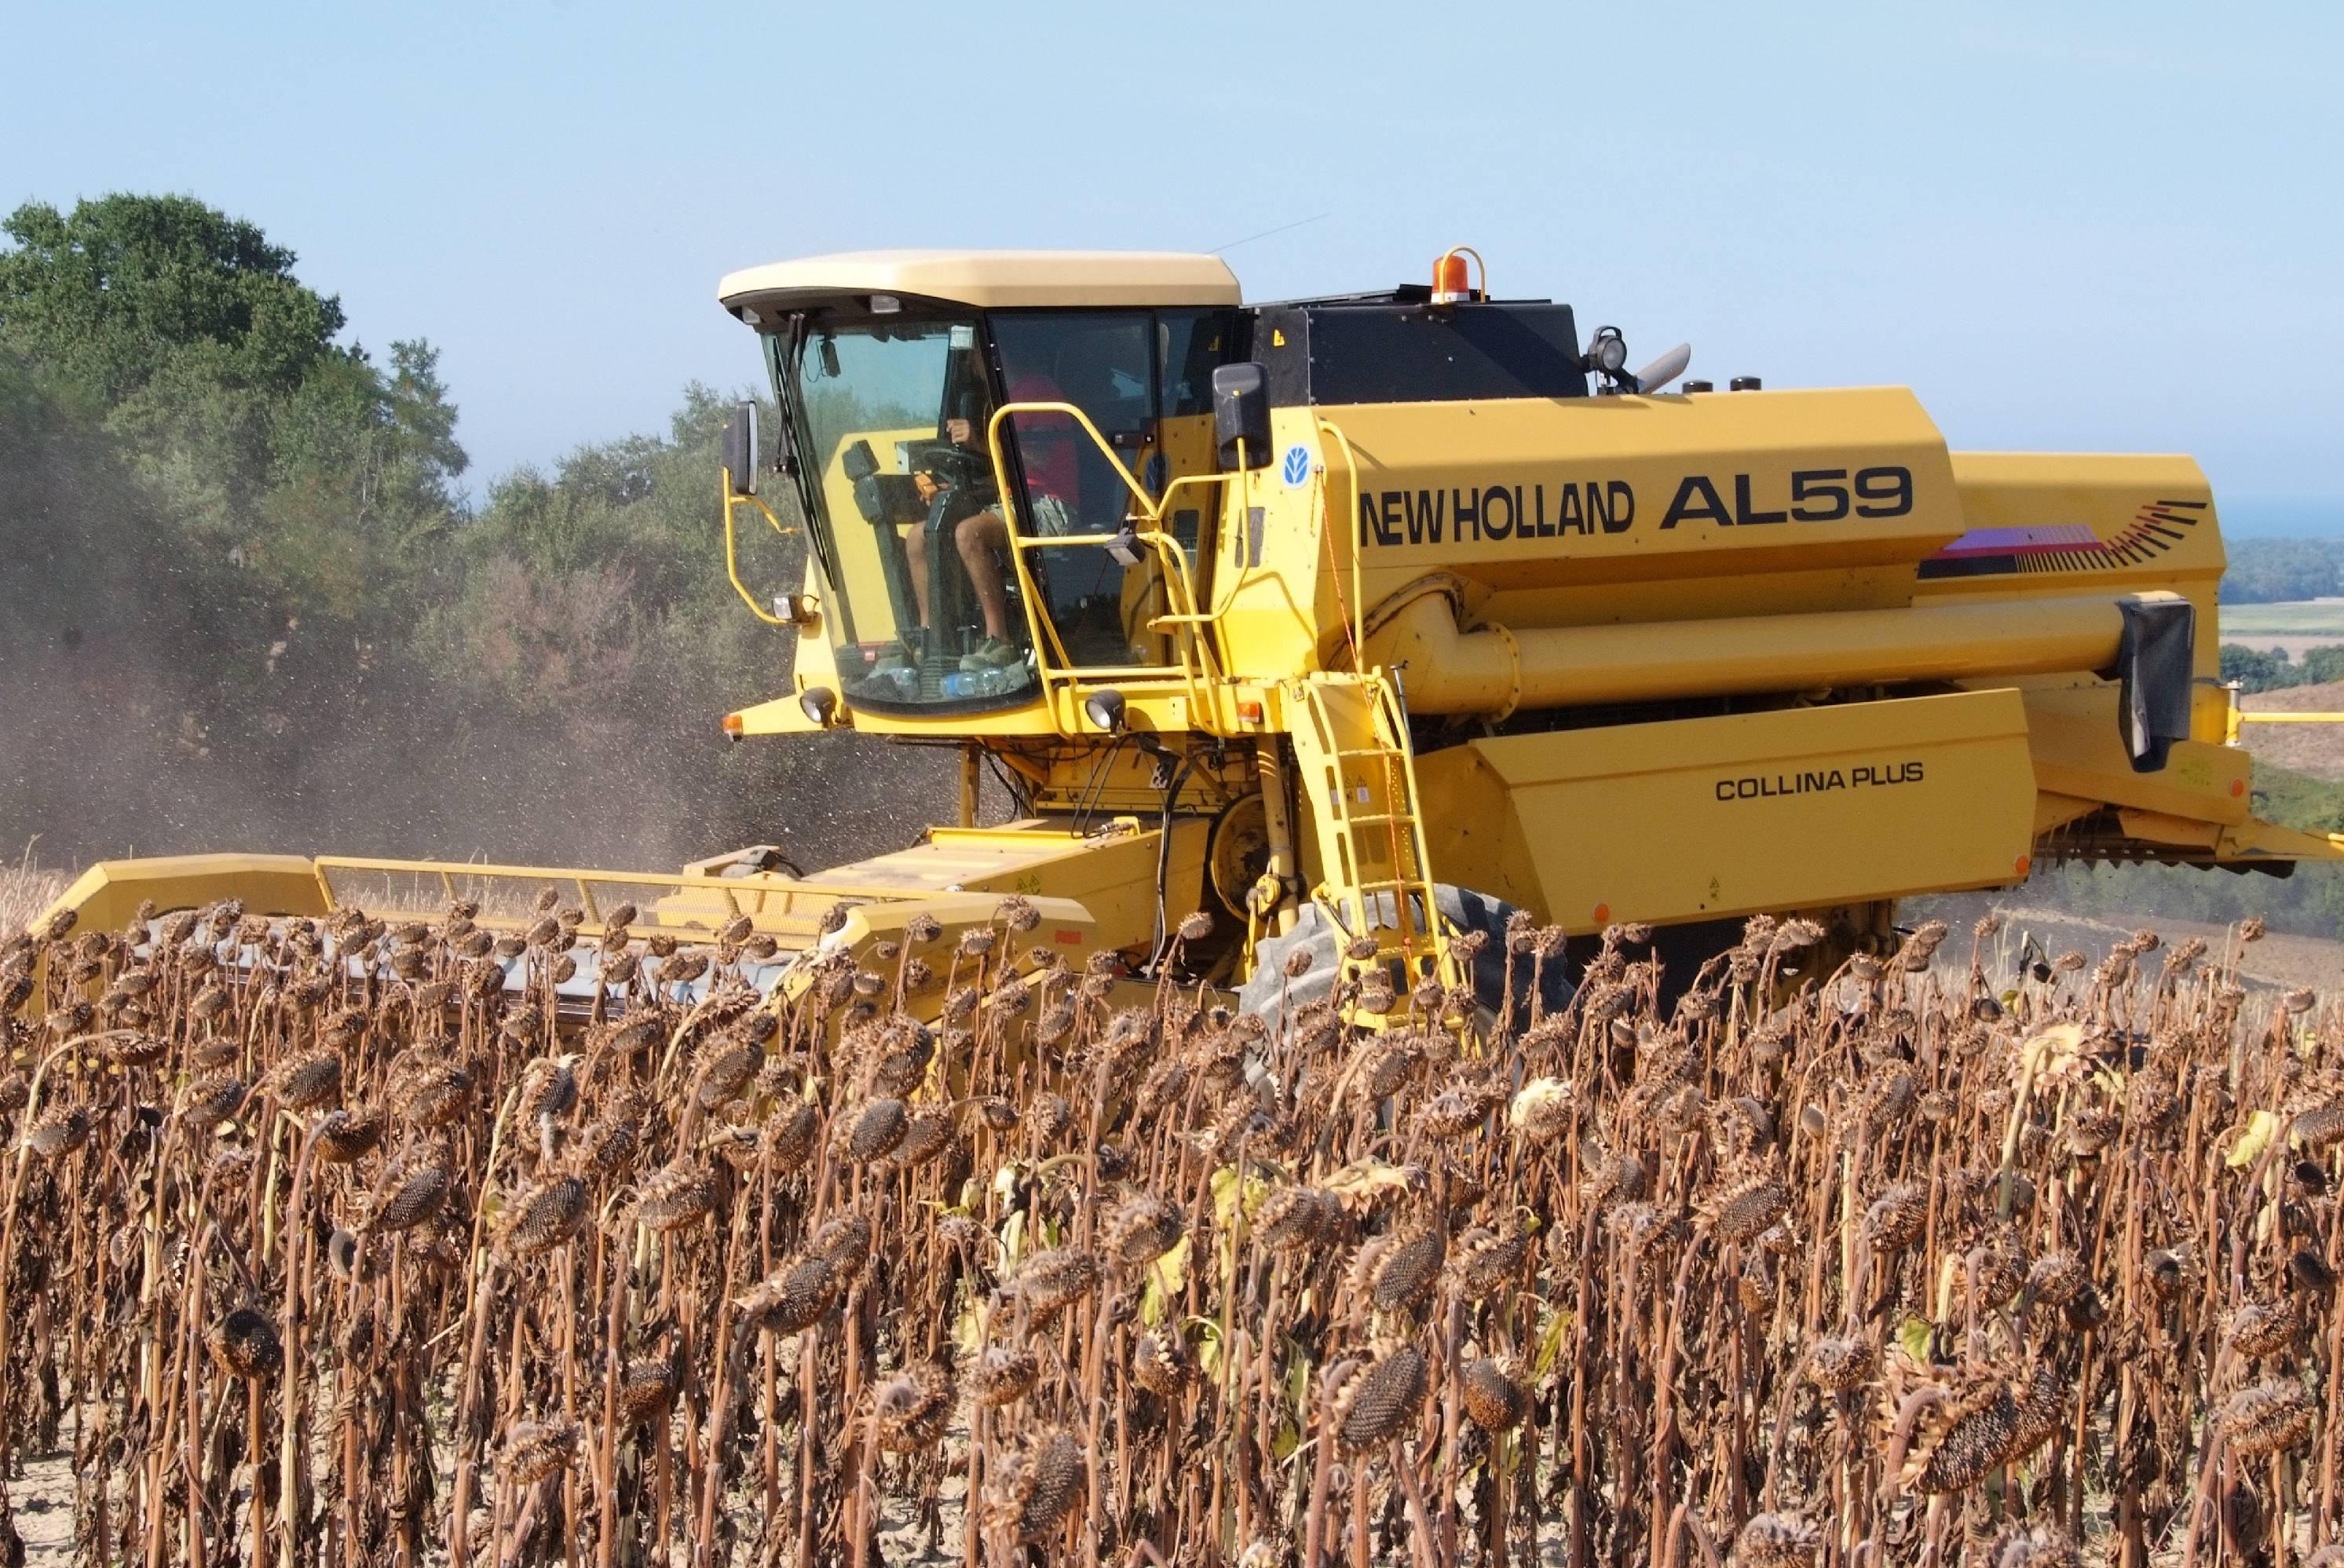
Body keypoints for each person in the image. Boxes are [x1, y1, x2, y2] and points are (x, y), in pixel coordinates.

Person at [892, 369, 1078, 676]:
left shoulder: (1036, 390)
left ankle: (999, 639)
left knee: (969, 534)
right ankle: (929, 637)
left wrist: (979, 441)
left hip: (1048, 504)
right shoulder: (998, 399)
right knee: (919, 536)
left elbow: (1038, 458)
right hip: (1009, 499)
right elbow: (1001, 471)